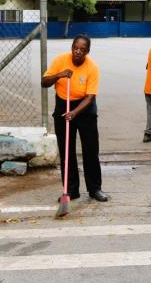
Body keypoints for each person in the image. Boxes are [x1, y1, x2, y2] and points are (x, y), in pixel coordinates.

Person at [42, 34, 108, 202]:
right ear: (72, 47)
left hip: (84, 109)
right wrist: (59, 75)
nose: (78, 52)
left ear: (87, 51)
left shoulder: (92, 67)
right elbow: (44, 82)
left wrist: (75, 113)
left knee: (91, 150)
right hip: (63, 105)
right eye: (75, 48)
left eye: (82, 50)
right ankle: (71, 190)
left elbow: (90, 97)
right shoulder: (60, 60)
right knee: (66, 151)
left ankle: (95, 189)